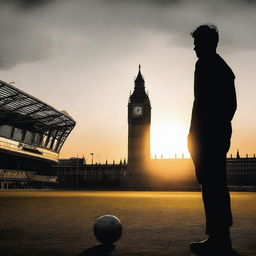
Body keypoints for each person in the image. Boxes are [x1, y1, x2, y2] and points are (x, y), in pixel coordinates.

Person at [188, 24, 237, 255]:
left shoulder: (206, 65)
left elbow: (202, 106)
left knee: (212, 187)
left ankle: (218, 240)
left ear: (207, 44)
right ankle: (221, 238)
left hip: (208, 137)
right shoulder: (224, 69)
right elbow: (230, 106)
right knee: (216, 186)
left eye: (197, 43)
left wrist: (199, 136)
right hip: (215, 135)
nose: (194, 48)